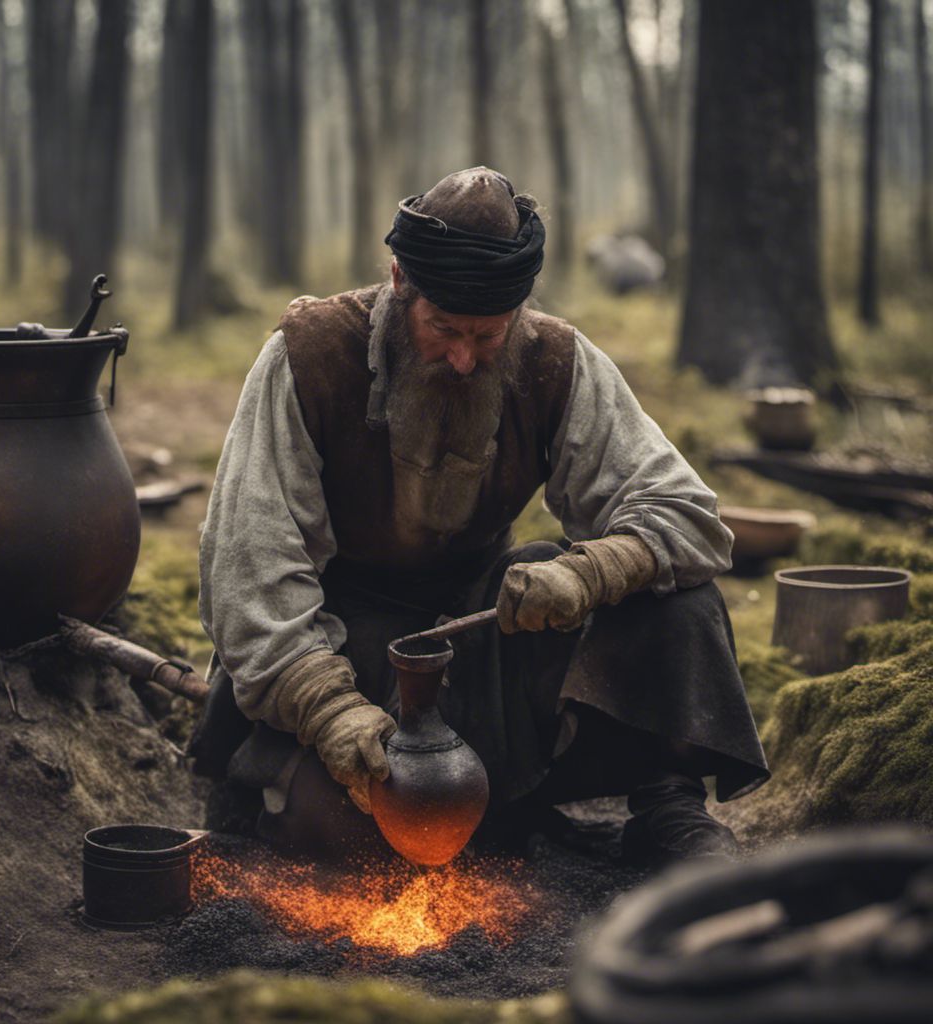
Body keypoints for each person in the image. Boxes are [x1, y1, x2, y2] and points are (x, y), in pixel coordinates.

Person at [192, 167, 768, 865]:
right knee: (348, 845)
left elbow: (689, 518)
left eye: (489, 336)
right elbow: (248, 574)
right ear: (401, 279)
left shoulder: (556, 358)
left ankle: (667, 804)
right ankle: (451, 805)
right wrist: (327, 706)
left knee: (676, 600)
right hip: (347, 645)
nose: (464, 359)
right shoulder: (308, 357)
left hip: (482, 635)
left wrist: (590, 573)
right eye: (443, 328)